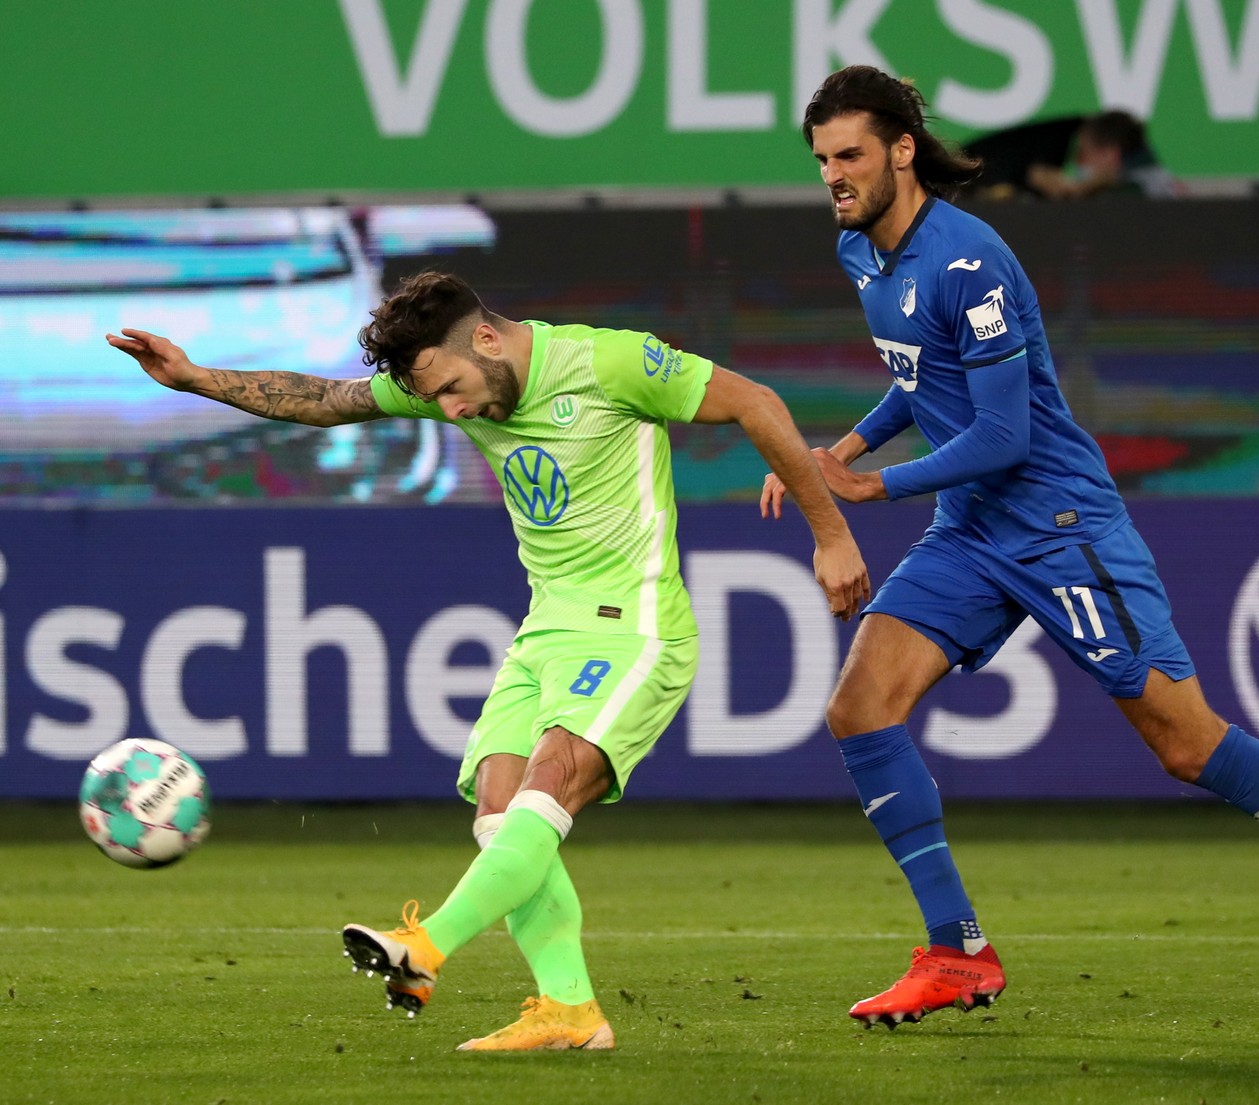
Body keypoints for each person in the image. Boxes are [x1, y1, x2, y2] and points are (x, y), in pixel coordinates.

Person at [763, 65, 1259, 1029]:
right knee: (859, 708)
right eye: (822, 160)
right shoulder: (861, 255)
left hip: (1059, 529)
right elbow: (922, 378)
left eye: (850, 156)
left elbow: (1005, 437)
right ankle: (957, 951)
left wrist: (873, 486)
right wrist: (847, 443)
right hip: (971, 532)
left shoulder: (972, 261)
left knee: (1186, 744)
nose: (833, 176)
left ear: (903, 151)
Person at [107, 271, 870, 1051]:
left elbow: (756, 402)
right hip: (546, 629)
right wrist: (196, 379)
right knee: (501, 815)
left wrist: (831, 533)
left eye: (451, 389)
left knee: (550, 781)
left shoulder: (610, 364)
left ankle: (424, 947)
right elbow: (328, 401)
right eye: (433, 399)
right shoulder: (446, 377)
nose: (451, 409)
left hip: (633, 628)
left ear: (486, 338)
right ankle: (571, 1011)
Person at [1026, 108, 1180, 200]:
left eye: (1084, 153)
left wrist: (1074, 191)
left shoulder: (1136, 192)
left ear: (1110, 154)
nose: (1078, 162)